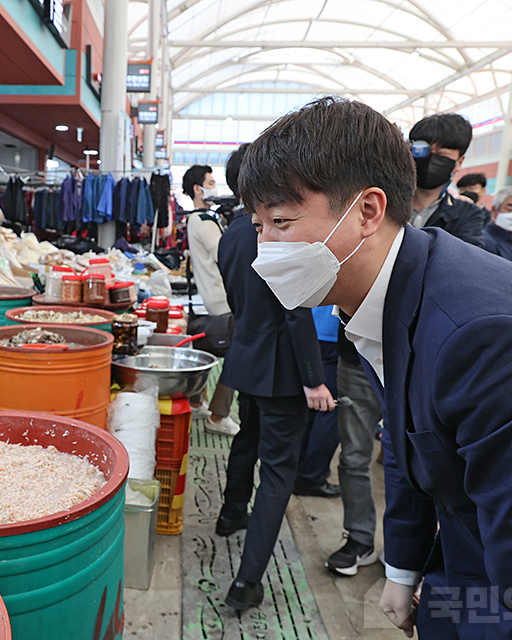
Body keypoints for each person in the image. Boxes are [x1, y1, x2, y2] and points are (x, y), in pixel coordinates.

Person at [241, 95, 512, 639]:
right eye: (257, 225)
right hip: (465, 541)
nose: (265, 249)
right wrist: (402, 570)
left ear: (367, 211)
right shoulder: (382, 293)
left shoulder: (486, 337)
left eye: (282, 221)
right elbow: (411, 438)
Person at [214, 143, 333, 611]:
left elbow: (240, 302)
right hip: (283, 369)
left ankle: (228, 514)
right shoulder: (280, 233)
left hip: (246, 358)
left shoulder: (232, 234)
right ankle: (247, 581)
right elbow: (295, 313)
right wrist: (313, 378)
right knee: (279, 471)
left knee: (247, 440)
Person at [182, 165, 238, 436]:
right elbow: (225, 255)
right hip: (221, 300)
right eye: (210, 182)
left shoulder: (200, 219)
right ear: (197, 188)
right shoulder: (204, 221)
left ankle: (197, 402)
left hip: (209, 299)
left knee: (204, 354)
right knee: (237, 354)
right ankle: (218, 415)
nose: (214, 186)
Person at [325, 329, 382, 576]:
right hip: (357, 357)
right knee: (352, 457)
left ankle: (408, 551)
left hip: (415, 358)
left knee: (415, 461)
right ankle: (359, 538)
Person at [408, 113, 485, 247]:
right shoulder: (384, 201)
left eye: (441, 154)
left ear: (459, 162)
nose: (430, 159)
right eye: (424, 151)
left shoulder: (468, 214)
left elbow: (465, 259)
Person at [293, 305, 341, 498]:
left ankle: (299, 469)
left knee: (311, 406)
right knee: (329, 408)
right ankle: (311, 476)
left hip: (309, 329)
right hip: (332, 332)